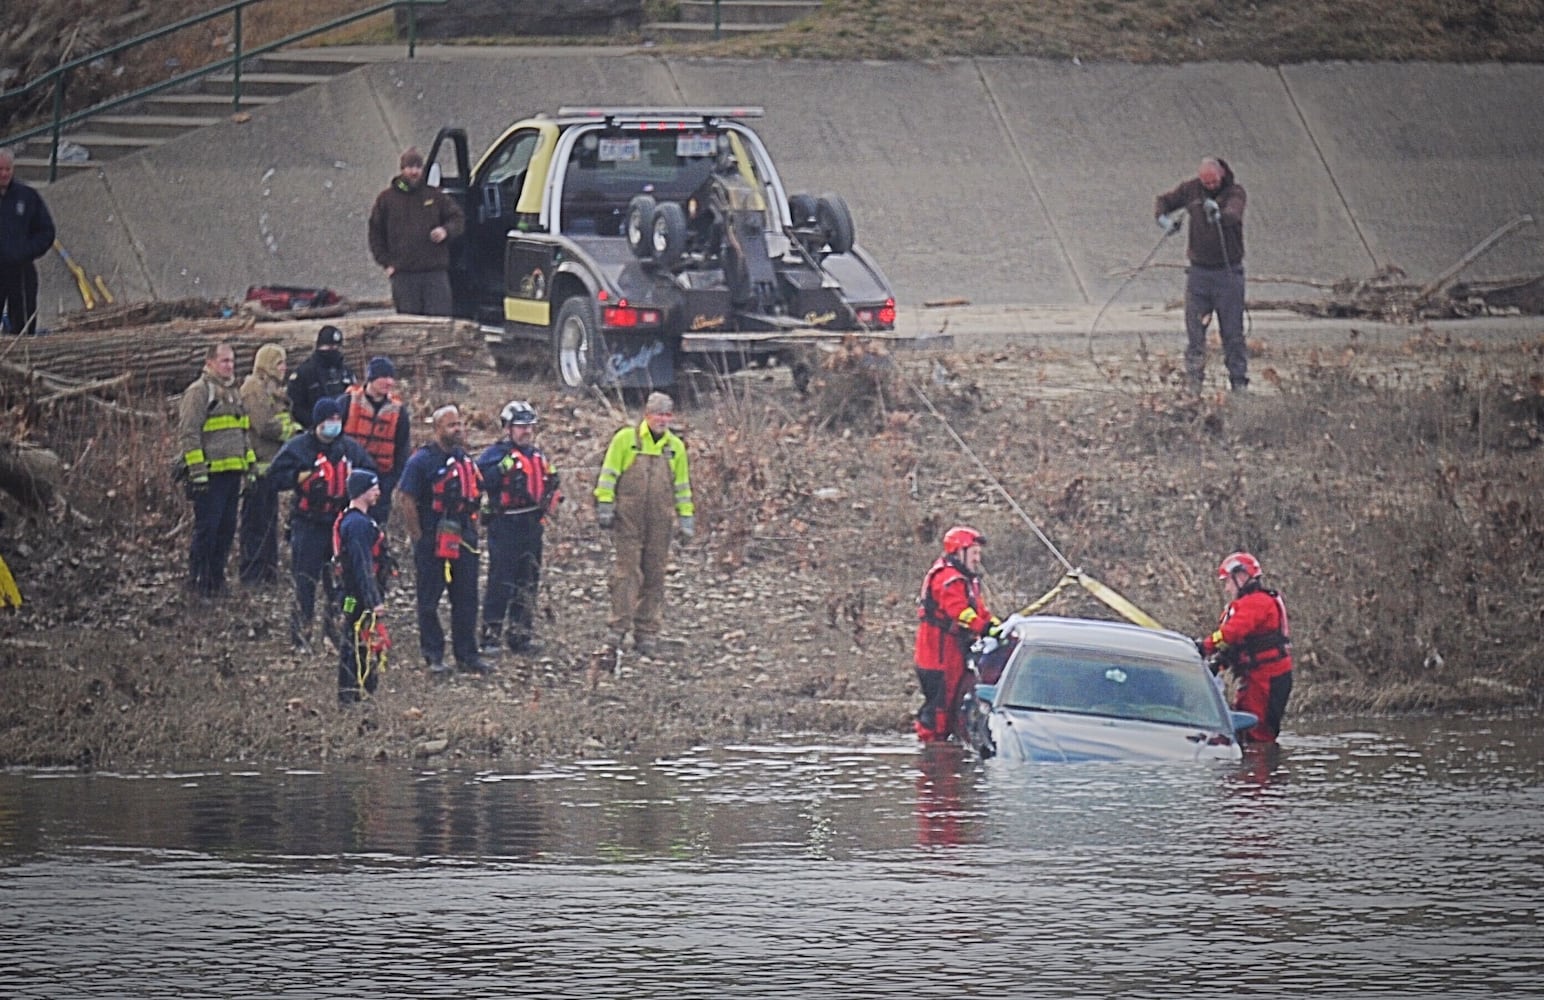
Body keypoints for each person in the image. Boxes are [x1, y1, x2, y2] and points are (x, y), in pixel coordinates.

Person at [269, 398, 376, 654]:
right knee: (305, 581)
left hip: (340, 524)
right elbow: (274, 477)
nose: (334, 425)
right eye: (329, 420)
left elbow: (370, 474)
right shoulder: (298, 448)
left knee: (342, 583)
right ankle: (300, 635)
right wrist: (298, 477)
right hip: (308, 523)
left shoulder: (350, 449)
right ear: (318, 423)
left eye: (338, 420)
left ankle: (338, 630)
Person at [593, 391, 694, 658]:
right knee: (627, 574)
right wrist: (605, 504)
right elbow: (608, 475)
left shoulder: (675, 448)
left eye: (667, 414)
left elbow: (682, 488)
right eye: (657, 414)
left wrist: (686, 520)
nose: (662, 419)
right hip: (627, 520)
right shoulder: (626, 440)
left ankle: (647, 632)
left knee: (655, 575)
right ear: (646, 415)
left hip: (660, 522)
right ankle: (617, 629)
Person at [397, 404, 491, 676]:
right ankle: (434, 655)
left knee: (467, 597)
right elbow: (407, 498)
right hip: (432, 534)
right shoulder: (421, 461)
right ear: (437, 429)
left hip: (463, 534)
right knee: (429, 600)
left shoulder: (465, 459)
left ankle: (467, 654)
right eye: (452, 425)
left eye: (460, 424)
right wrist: (418, 537)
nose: (458, 429)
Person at [1154, 156, 1249, 392]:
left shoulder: (1235, 192)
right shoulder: (1191, 190)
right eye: (1205, 182)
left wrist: (1219, 214)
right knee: (1195, 334)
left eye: (1213, 182)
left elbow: (1234, 213)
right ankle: (1194, 383)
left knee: (1232, 334)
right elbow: (1164, 201)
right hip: (1198, 274)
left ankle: (1238, 382)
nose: (1210, 186)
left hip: (1228, 274)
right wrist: (1163, 218)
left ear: (1221, 176)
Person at [477, 400, 562, 656]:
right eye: (521, 426)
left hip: (532, 524)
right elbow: (481, 480)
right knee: (501, 581)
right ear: (508, 428)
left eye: (530, 426)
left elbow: (549, 483)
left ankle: (520, 635)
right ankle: (490, 637)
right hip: (506, 524)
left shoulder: (538, 455)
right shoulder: (495, 454)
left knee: (528, 581)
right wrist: (501, 470)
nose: (526, 431)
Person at [176, 342, 256, 598]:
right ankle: (199, 580)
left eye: (232, 360)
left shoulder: (234, 393)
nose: (230, 366)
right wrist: (197, 471)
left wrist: (250, 465)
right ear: (209, 362)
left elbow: (243, 432)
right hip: (209, 476)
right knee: (207, 530)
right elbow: (189, 434)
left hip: (232, 473)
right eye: (224, 361)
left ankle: (216, 578)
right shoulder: (199, 392)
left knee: (226, 529)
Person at [913, 526, 1001, 742]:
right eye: (974, 553)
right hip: (937, 655)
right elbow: (959, 611)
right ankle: (930, 754)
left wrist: (997, 626)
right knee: (939, 710)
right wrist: (984, 628)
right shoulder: (947, 579)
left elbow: (979, 610)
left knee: (953, 707)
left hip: (953, 653)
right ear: (959, 552)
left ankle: (942, 756)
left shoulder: (967, 580)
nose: (978, 559)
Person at [1196, 551, 1293, 744]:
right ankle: (1249, 769)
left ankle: (1260, 772)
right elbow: (1236, 643)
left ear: (1241, 577)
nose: (1226, 588)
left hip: (1267, 678)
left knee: (1257, 732)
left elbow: (1231, 633)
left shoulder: (1256, 603)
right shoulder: (1249, 604)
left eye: (1228, 582)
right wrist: (1219, 662)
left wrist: (1205, 646)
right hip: (1256, 676)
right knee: (1244, 727)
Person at [367, 146, 466, 317]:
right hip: (404, 275)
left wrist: (445, 231)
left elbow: (458, 218)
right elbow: (375, 233)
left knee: (440, 323)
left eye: (418, 167)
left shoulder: (435, 195)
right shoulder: (387, 199)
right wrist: (387, 263)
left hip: (434, 274)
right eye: (410, 167)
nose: (414, 172)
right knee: (410, 325)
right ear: (402, 169)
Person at [237, 343, 301, 586]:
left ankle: (268, 572)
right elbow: (264, 424)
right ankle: (252, 575)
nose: (284, 368)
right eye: (279, 363)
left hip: (271, 467)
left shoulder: (274, 391)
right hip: (257, 468)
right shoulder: (253, 389)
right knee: (254, 523)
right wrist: (291, 432)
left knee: (268, 522)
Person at [334, 469, 390, 706]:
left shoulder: (354, 519)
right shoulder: (358, 524)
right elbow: (362, 565)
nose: (378, 492)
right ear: (362, 492)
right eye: (373, 487)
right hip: (357, 595)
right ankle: (353, 694)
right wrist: (373, 600)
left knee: (353, 635)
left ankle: (355, 693)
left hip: (350, 594)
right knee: (358, 640)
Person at [340, 355, 410, 531]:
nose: (389, 382)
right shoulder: (347, 402)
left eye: (391, 377)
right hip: (347, 479)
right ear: (371, 378)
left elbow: (402, 451)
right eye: (384, 377)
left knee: (375, 532)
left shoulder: (399, 412)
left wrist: (388, 484)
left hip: (379, 482)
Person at [0, 147, 56, 336]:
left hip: (21, 271)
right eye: (0, 169)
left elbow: (46, 232)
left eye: (8, 169)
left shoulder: (27, 196)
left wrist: (26, 251)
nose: (4, 173)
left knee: (23, 325)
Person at [287, 324, 356, 430]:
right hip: (314, 431)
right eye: (329, 347)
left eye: (337, 348)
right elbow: (296, 408)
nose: (334, 351)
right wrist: (315, 425)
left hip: (343, 430)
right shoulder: (305, 373)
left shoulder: (346, 372)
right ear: (319, 347)